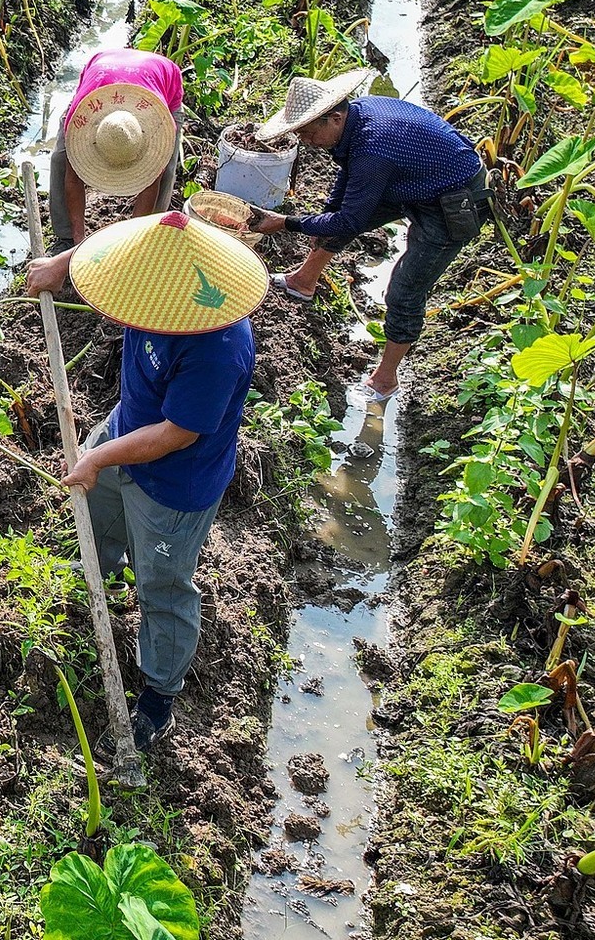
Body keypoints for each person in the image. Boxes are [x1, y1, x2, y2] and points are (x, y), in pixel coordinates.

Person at [27, 211, 267, 753]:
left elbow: (175, 435)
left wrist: (98, 456)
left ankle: (160, 694)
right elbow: (114, 249)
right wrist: (63, 264)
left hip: (173, 482)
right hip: (126, 431)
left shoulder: (216, 347)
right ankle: (95, 577)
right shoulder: (153, 283)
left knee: (162, 584)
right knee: (99, 518)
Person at [247, 69, 488, 401]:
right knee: (333, 218)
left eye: (307, 133)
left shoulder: (374, 146)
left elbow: (349, 220)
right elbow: (347, 185)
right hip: (415, 179)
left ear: (333, 118)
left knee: (404, 292)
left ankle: (385, 380)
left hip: (452, 201)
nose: (305, 141)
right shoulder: (359, 116)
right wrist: (325, 215)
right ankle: (304, 281)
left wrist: (286, 222)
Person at [50, 49, 185, 252]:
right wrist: (78, 245)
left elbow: (151, 184)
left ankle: (147, 236)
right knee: (60, 159)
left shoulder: (159, 125)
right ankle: (66, 238)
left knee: (165, 170)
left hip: (160, 87)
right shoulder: (81, 117)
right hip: (98, 85)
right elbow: (73, 178)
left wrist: (129, 247)